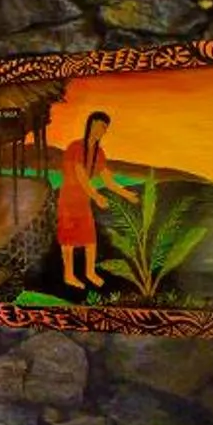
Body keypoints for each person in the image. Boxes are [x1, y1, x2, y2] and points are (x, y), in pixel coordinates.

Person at [54, 111, 139, 293]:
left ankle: (90, 272)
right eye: (98, 126)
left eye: (104, 128)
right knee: (68, 239)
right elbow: (81, 175)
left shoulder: (99, 153)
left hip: (84, 199)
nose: (101, 130)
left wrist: (126, 194)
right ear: (90, 125)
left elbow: (108, 180)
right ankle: (68, 275)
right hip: (69, 198)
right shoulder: (75, 147)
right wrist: (96, 196)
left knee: (89, 238)